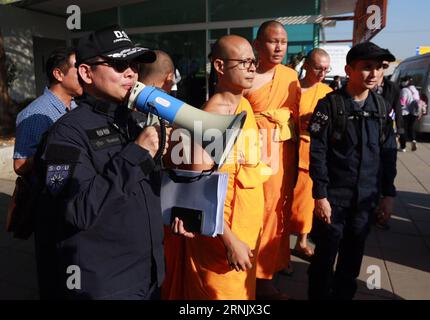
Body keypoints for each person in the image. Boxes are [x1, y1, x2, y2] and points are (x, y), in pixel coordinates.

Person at [33, 25, 171, 300]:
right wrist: (137, 152)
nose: (131, 72)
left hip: (150, 275)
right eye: (120, 64)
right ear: (86, 73)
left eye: (134, 64)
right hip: (105, 285)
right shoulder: (65, 134)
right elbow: (78, 209)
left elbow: (139, 190)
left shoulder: (132, 121)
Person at [162, 35, 270, 299]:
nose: (252, 68)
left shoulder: (243, 105)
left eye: (253, 61)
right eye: (244, 62)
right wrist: (230, 242)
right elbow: (199, 193)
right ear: (220, 67)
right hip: (221, 240)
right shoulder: (212, 118)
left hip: (246, 231)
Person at [308, 42, 397, 300]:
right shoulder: (330, 106)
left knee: (352, 260)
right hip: (334, 199)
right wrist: (320, 195)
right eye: (367, 67)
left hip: (365, 201)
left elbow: (389, 153)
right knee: (324, 259)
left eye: (379, 68)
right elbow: (318, 153)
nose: (374, 73)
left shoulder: (381, 108)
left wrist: (388, 194)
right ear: (349, 69)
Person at [244, 20, 300, 299]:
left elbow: (297, 116)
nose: (279, 47)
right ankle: (251, 274)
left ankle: (268, 274)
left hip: (282, 154)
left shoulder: (290, 76)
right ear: (257, 45)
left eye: (283, 42)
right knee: (254, 212)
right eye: (272, 41)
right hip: (252, 154)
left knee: (277, 212)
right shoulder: (246, 75)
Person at [290, 48, 332, 260]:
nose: (322, 73)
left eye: (326, 69)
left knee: (306, 202)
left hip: (310, 153)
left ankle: (302, 241)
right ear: (306, 65)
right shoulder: (292, 88)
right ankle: (279, 245)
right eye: (318, 68)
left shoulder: (328, 92)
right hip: (288, 148)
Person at [13, 47, 82, 177]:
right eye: (79, 70)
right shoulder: (34, 114)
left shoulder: (75, 106)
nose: (85, 75)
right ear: (58, 74)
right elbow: (20, 165)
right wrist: (57, 153)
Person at [373, 58, 403, 229]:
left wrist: (400, 131)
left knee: (388, 171)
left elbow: (397, 110)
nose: (378, 70)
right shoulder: (366, 86)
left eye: (383, 66)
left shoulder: (392, 88)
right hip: (368, 136)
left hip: (386, 136)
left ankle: (382, 213)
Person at [399, 76, 421, 152]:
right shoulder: (415, 90)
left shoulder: (404, 90)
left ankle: (403, 147)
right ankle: (413, 140)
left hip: (405, 112)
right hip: (414, 112)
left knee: (402, 129)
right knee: (411, 127)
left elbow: (402, 103)